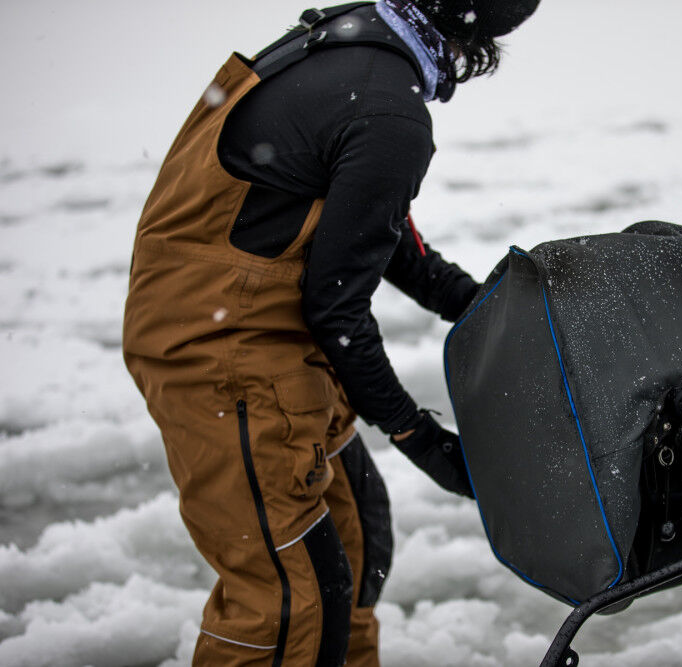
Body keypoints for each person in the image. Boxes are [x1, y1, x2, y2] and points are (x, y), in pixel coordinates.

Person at [122, 1, 539, 664]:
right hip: (222, 352)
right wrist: (419, 436)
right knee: (290, 598)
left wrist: (481, 304)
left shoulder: (350, 42)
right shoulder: (389, 108)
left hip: (267, 331)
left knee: (356, 540)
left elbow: (368, 227)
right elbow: (338, 306)